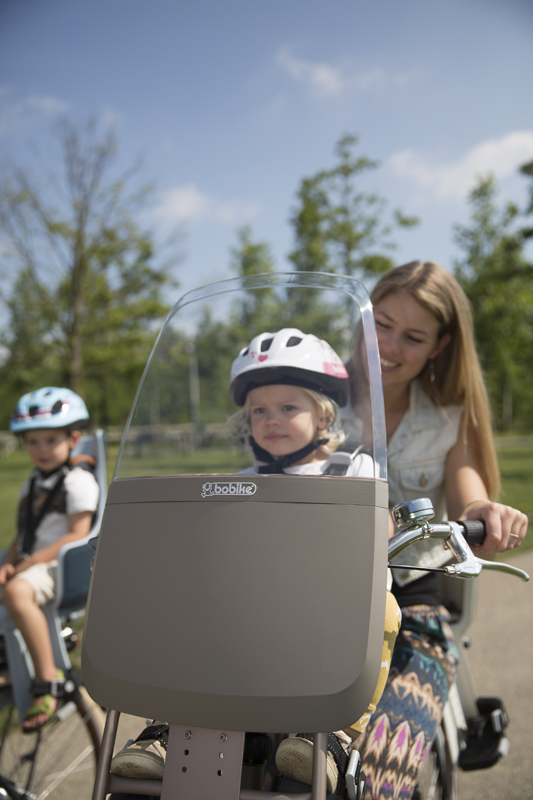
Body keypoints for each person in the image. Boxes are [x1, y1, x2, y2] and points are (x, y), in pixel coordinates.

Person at [110, 328, 402, 795]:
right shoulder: (241, 480)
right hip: (249, 617)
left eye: (289, 407)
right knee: (192, 607)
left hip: (324, 614)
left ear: (324, 412)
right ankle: (168, 727)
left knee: (383, 609)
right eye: (259, 411)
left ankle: (334, 737)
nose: (271, 419)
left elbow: (376, 534)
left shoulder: (352, 469)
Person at [350, 261, 528, 799]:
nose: (388, 344)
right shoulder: (312, 393)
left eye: (413, 336)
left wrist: (487, 510)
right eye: (380, 323)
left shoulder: (450, 417)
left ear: (440, 345)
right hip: (312, 598)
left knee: (381, 760)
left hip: (412, 604)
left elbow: (469, 490)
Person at [1, 387, 99, 732]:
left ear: (73, 439)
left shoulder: (79, 481)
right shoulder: (32, 482)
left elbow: (78, 535)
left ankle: (48, 678)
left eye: (50, 440)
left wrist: (27, 565)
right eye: (33, 442)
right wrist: (10, 560)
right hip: (34, 562)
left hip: (61, 566)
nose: (41, 450)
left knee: (15, 593)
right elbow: (23, 531)